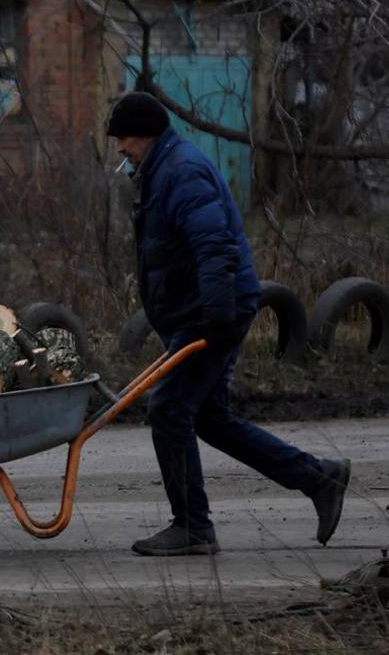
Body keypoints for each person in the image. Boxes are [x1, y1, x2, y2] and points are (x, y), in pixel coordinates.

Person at [107, 91, 350, 556]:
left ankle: (193, 527)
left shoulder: (182, 172)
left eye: (125, 138)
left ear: (149, 134)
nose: (119, 147)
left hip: (210, 312)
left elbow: (214, 246)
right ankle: (319, 478)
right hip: (199, 311)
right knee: (210, 418)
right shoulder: (160, 170)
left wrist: (216, 316)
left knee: (169, 409)